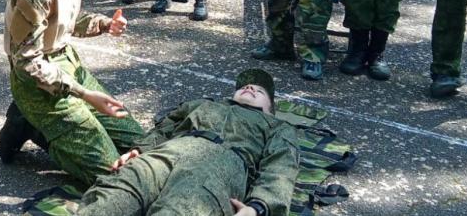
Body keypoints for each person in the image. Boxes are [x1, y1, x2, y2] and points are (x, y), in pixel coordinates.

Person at [0, 0, 144, 185]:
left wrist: (103, 24)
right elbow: (26, 60)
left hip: (66, 65)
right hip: (38, 83)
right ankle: (33, 124)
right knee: (114, 175)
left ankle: (30, 119)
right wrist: (84, 94)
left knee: (142, 142)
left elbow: (64, 21)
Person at [75, 68, 299, 216]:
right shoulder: (203, 104)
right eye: (244, 87)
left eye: (258, 91)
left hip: (218, 167)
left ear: (270, 110)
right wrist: (140, 149)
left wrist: (259, 207)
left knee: (182, 208)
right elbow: (167, 125)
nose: (249, 88)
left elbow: (281, 169)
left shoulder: (277, 127)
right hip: (168, 152)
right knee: (115, 194)